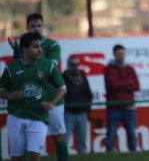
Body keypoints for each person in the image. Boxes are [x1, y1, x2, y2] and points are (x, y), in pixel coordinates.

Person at [8, 13, 69, 161]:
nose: (36, 29)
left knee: (58, 135)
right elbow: (19, 68)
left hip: (52, 98)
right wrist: (19, 51)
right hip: (31, 101)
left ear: (44, 26)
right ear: (27, 28)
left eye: (39, 26)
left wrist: (21, 50)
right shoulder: (23, 47)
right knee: (23, 147)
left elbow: (48, 67)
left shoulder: (53, 45)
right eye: (33, 26)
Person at [104, 44, 140, 152]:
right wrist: (127, 83)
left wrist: (121, 84)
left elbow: (136, 86)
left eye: (123, 54)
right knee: (111, 134)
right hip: (113, 107)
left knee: (132, 135)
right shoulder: (109, 69)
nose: (122, 56)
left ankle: (133, 155)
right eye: (119, 54)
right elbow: (112, 85)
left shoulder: (130, 69)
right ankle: (109, 154)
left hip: (129, 107)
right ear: (114, 54)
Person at [63, 55, 93, 154]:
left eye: (77, 64)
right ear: (68, 65)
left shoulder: (83, 78)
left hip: (82, 114)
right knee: (64, 142)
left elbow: (89, 95)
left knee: (82, 144)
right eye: (72, 65)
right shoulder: (62, 78)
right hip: (68, 114)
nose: (75, 67)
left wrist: (87, 111)